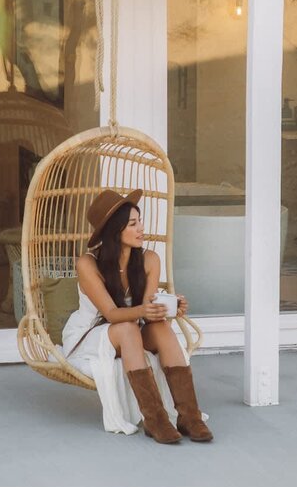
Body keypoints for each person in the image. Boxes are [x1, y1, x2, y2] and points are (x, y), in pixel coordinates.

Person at [61, 188, 213, 444]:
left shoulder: (149, 260)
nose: (141, 228)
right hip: (92, 335)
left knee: (161, 327)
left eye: (139, 220)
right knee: (128, 328)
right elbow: (110, 314)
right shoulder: (87, 264)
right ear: (114, 230)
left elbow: (148, 313)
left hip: (130, 331)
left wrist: (169, 308)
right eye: (133, 223)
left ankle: (189, 415)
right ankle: (155, 419)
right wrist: (143, 311)